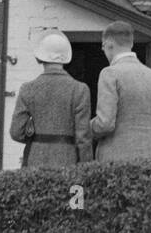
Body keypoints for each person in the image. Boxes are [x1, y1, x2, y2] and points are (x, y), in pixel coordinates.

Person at [90, 21, 151, 162]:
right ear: (131, 44)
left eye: (102, 46)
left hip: (116, 159)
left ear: (109, 44)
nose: (103, 50)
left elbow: (105, 124)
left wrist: (84, 128)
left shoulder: (110, 73)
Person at [9, 31, 93, 167]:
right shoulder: (80, 89)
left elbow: (16, 132)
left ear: (39, 58)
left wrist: (36, 139)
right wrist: (86, 167)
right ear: (66, 57)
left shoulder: (28, 88)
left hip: (34, 159)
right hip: (68, 160)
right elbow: (83, 138)